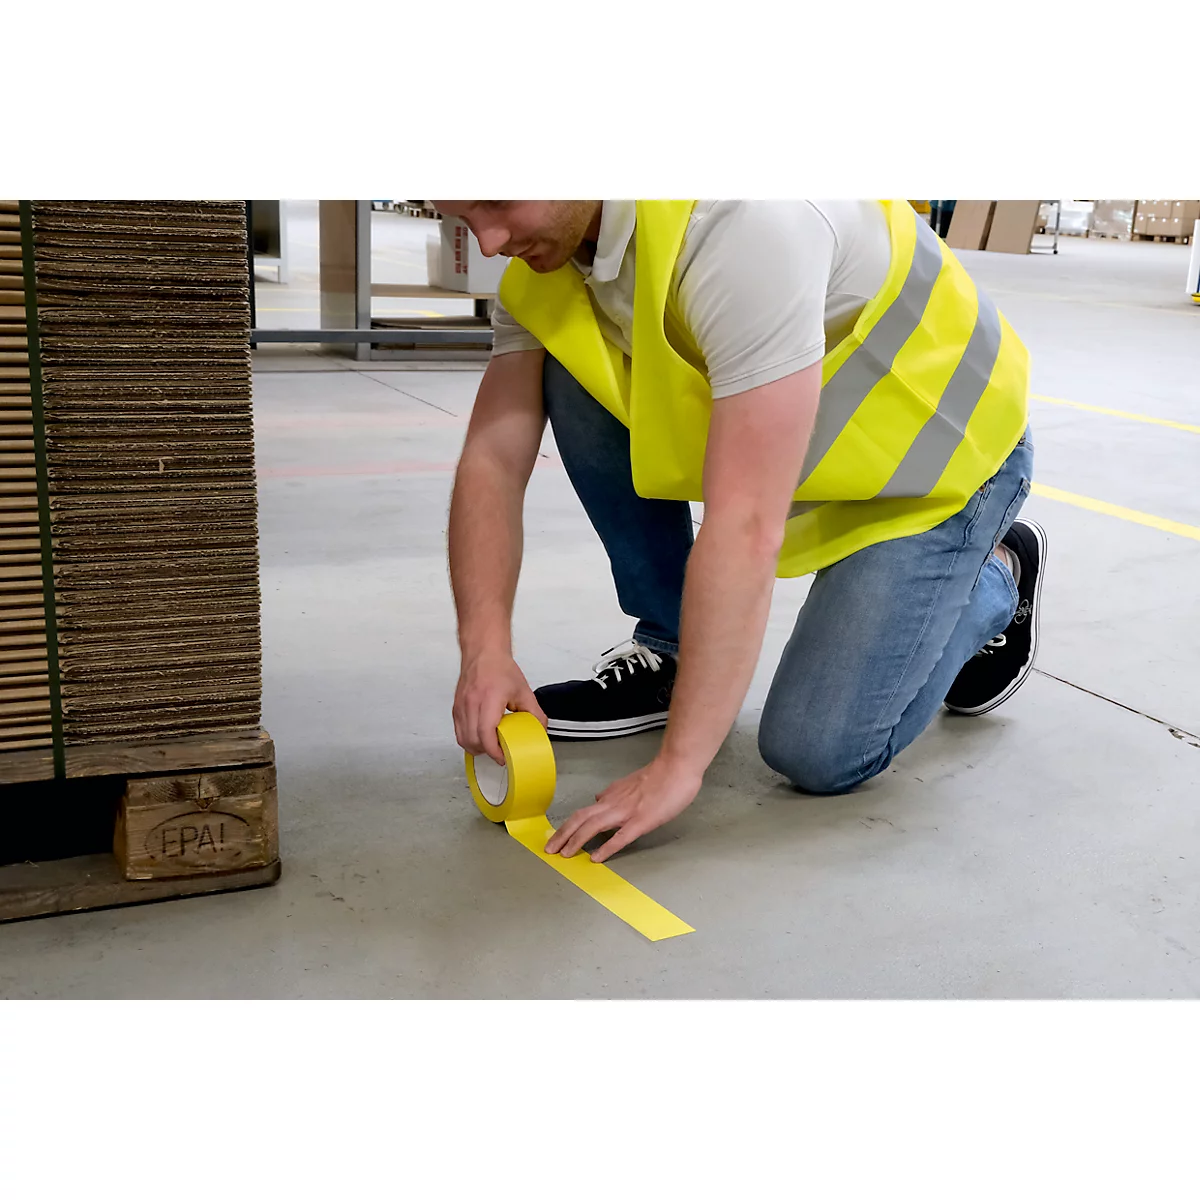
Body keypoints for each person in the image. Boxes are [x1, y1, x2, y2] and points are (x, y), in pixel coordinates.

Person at [436, 200, 1047, 865]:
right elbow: (493, 456)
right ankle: (672, 646)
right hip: (799, 446)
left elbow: (746, 523)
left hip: (933, 465)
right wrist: (484, 650)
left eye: (497, 204)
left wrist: (679, 768)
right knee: (565, 361)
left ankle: (995, 573)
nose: (490, 243)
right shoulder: (551, 246)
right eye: (465, 216)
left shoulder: (748, 222)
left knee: (818, 750)